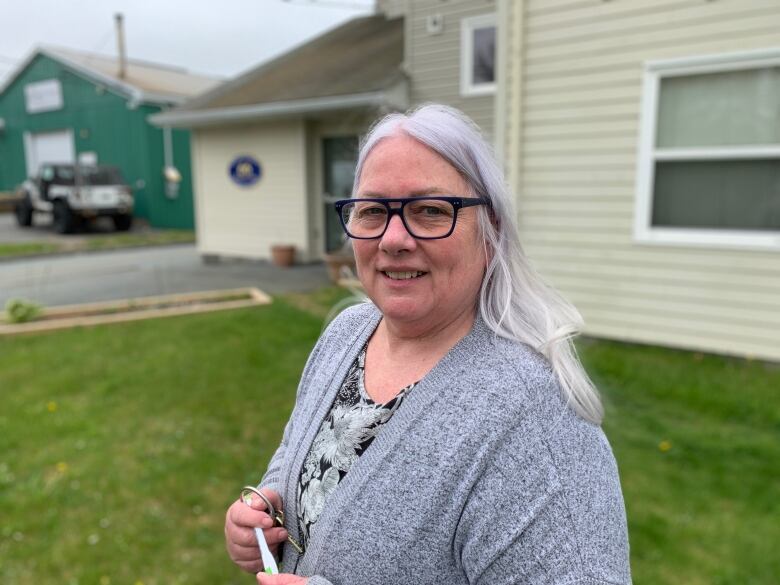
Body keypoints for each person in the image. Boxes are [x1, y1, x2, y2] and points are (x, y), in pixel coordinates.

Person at [224, 104, 631, 585]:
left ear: (491, 229)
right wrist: (267, 508)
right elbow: (299, 455)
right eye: (373, 210)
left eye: (431, 211)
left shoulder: (535, 420)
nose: (393, 239)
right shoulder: (347, 333)